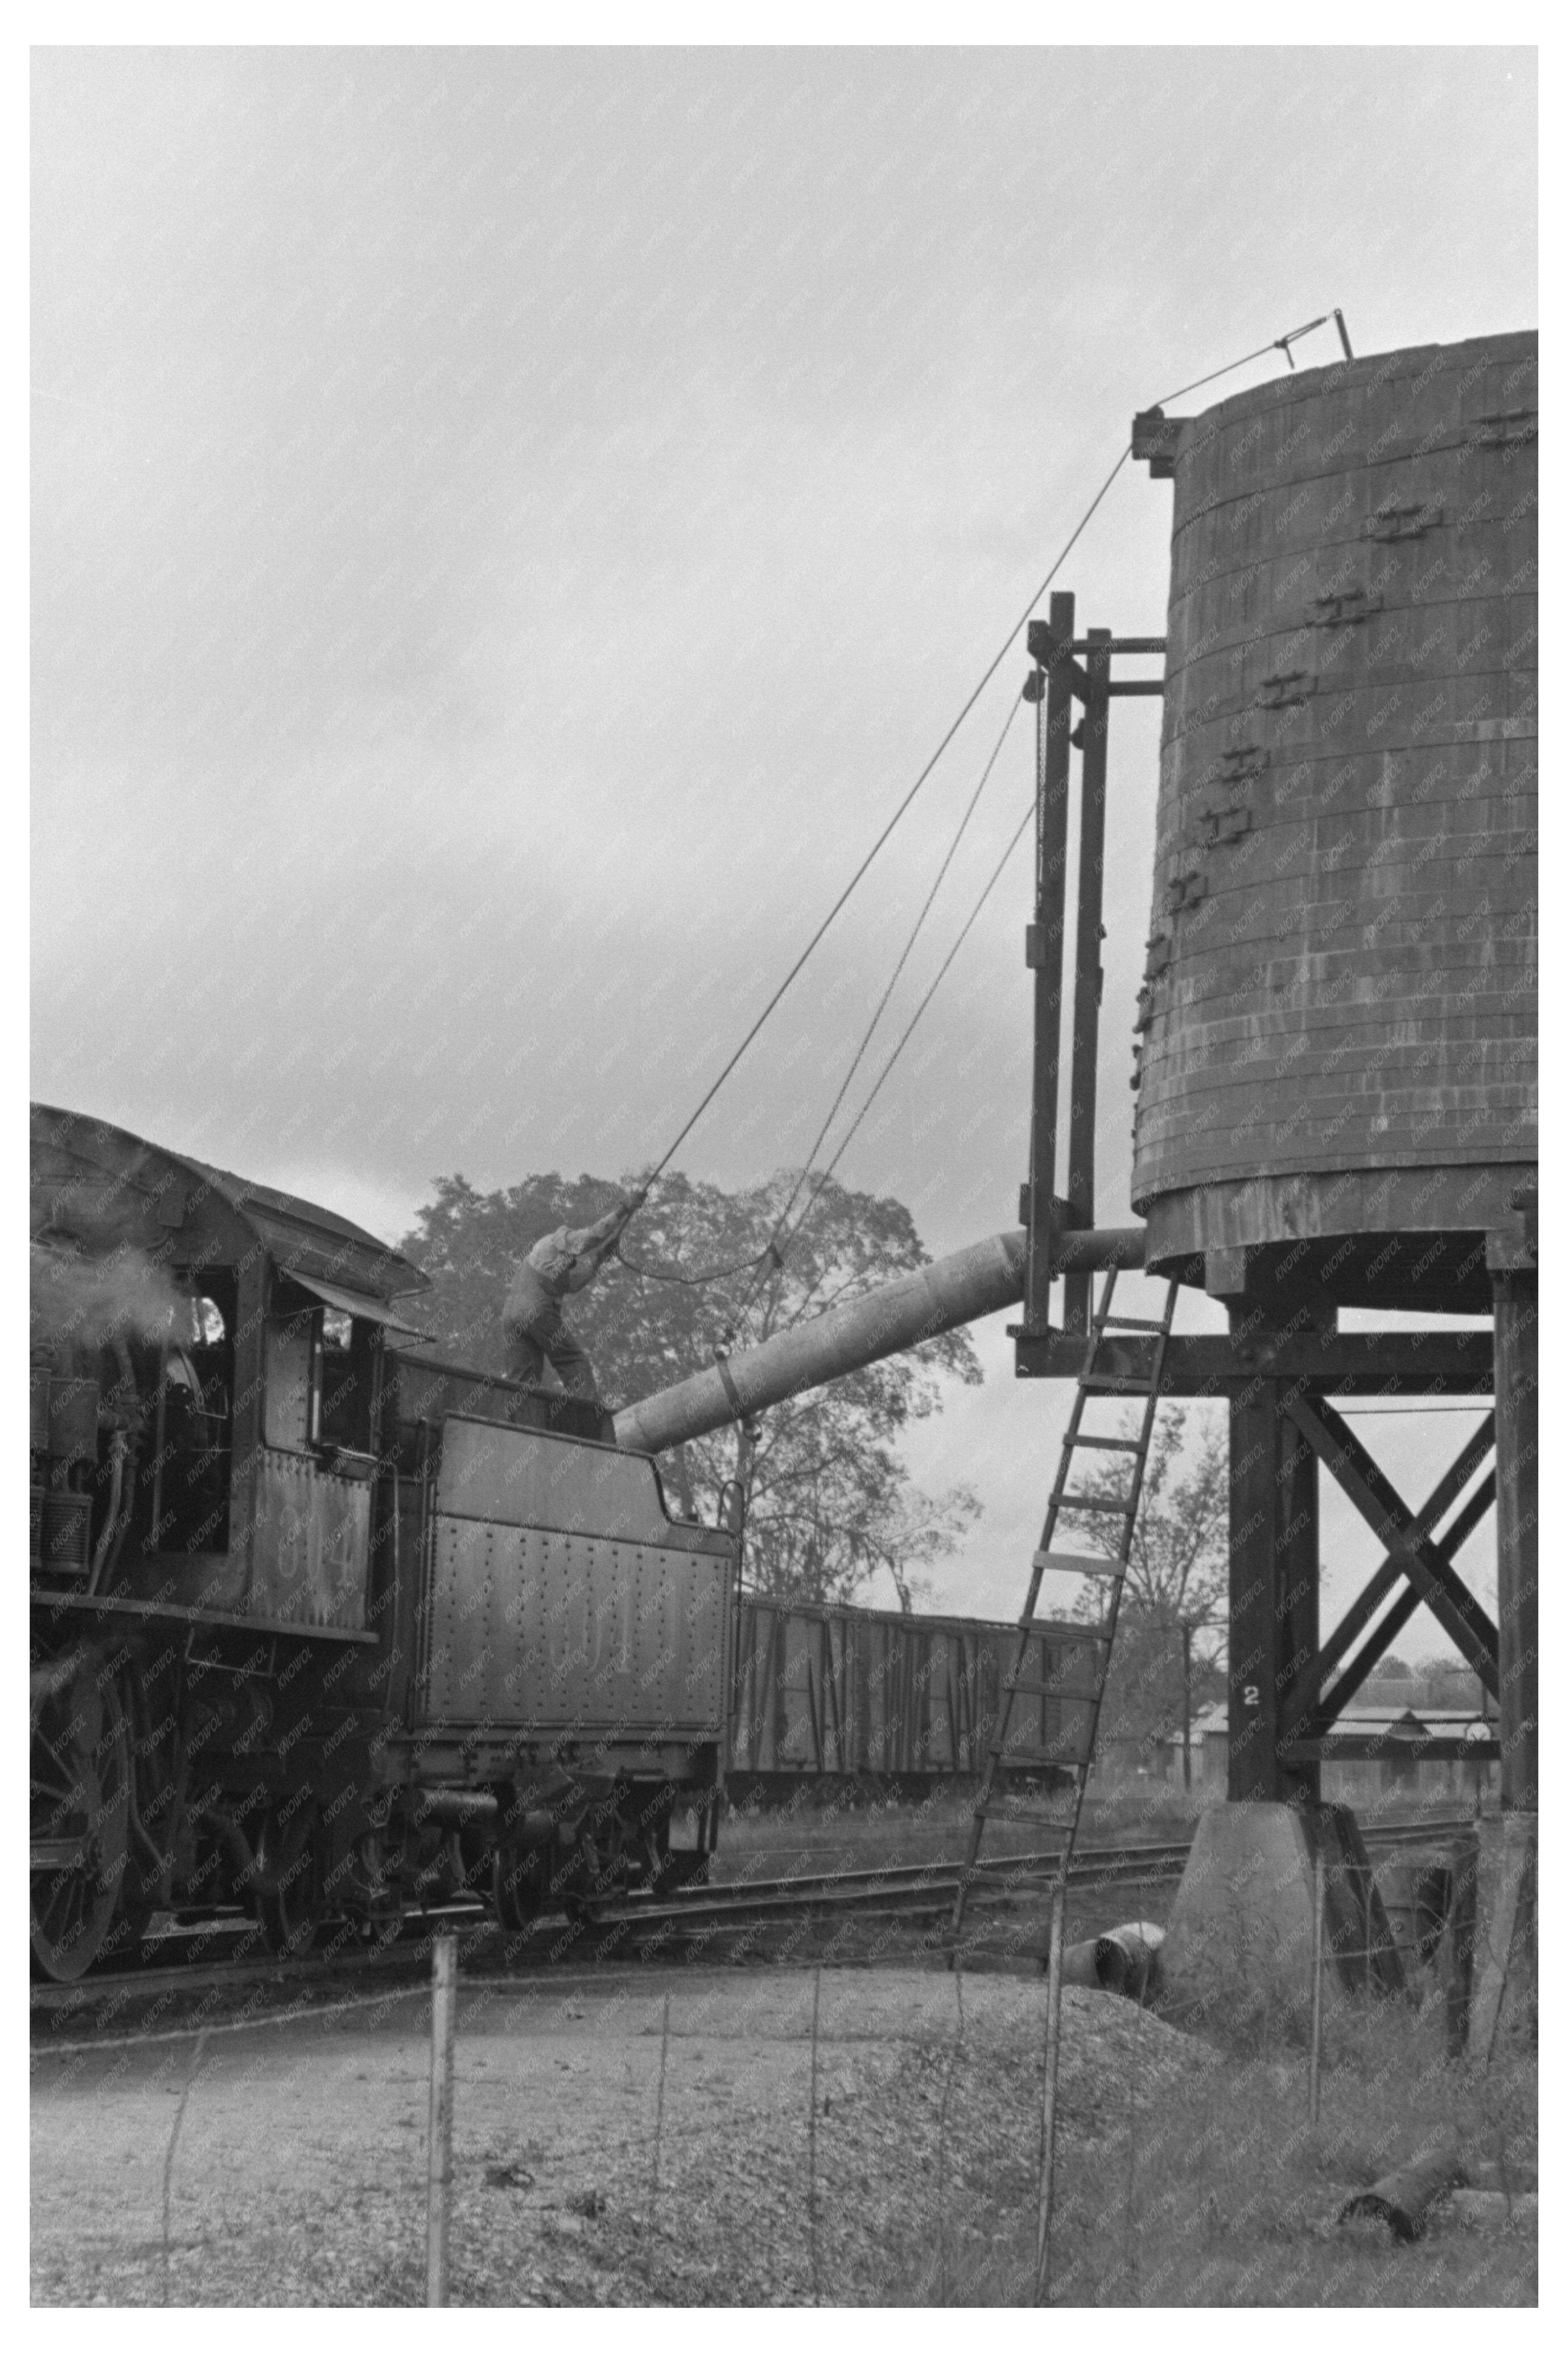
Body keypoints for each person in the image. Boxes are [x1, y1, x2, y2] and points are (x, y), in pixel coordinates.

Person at [502, 1190, 647, 1405]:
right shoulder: (557, 1241)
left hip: (510, 1317)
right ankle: (588, 1417)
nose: (571, 1264)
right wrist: (623, 1210)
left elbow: (573, 1283)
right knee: (574, 1362)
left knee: (523, 1381)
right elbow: (592, 1236)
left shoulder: (542, 1262)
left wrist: (599, 1261)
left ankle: (513, 1425)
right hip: (536, 1312)